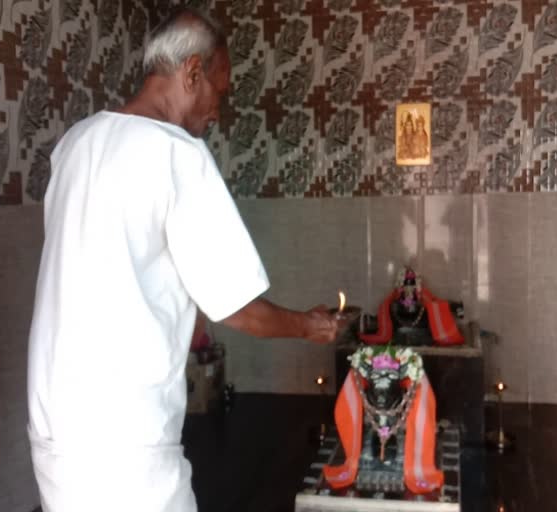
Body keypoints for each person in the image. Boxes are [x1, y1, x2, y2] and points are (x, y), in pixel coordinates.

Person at [26, 8, 338, 512]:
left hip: (54, 433)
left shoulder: (74, 145)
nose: (218, 109)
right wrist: (309, 326)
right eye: (220, 88)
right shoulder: (176, 154)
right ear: (191, 72)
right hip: (125, 443)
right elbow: (239, 309)